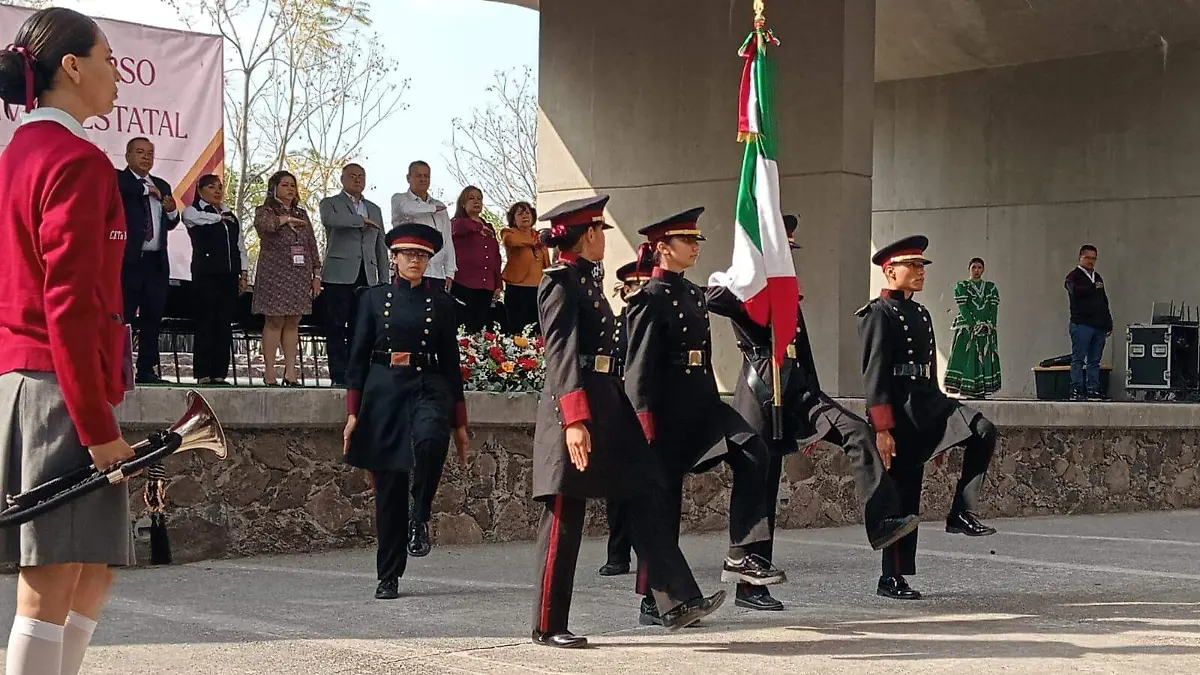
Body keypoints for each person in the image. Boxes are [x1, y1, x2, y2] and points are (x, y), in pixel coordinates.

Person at [0, 8, 136, 674]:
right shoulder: (77, 160)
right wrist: (97, 427)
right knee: (50, 583)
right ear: (73, 67)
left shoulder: (16, 155)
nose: (116, 75)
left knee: (89, 570)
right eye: (108, 60)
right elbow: (72, 305)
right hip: (59, 388)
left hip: (33, 382)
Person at [531, 195, 725, 648]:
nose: (603, 238)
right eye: (598, 231)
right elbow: (560, 353)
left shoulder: (588, 280)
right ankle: (548, 624)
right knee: (564, 514)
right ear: (586, 235)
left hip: (608, 402)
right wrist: (574, 420)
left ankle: (675, 600)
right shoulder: (560, 282)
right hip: (574, 407)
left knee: (645, 490)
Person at [706, 214, 919, 611]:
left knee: (857, 431)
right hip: (761, 391)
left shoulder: (787, 292)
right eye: (781, 248)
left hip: (801, 391)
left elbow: (803, 355)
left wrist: (815, 422)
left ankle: (881, 521)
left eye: (789, 248)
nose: (788, 254)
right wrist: (746, 273)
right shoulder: (750, 291)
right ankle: (750, 585)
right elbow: (712, 297)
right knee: (761, 485)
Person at [624, 207, 785, 626]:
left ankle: (741, 553)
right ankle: (654, 601)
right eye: (687, 240)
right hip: (665, 411)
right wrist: (643, 420)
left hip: (703, 405)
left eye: (697, 240)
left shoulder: (696, 294)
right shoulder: (646, 299)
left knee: (753, 450)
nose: (696, 246)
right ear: (663, 248)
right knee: (664, 505)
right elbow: (638, 367)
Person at [857, 235, 999, 600]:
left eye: (922, 265)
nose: (921, 272)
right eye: (913, 266)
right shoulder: (878, 314)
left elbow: (931, 370)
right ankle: (891, 577)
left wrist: (941, 426)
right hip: (901, 413)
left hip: (930, 402)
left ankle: (961, 512)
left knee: (983, 430)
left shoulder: (922, 313)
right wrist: (882, 428)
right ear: (890, 271)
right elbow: (874, 375)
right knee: (904, 498)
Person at [342, 222, 470, 600]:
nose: (415, 261)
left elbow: (451, 363)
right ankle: (389, 574)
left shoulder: (441, 303)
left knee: (431, 441)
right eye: (408, 254)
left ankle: (420, 515)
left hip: (428, 384)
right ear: (394, 258)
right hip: (383, 390)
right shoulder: (372, 299)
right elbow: (357, 359)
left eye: (422, 256)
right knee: (389, 489)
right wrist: (353, 414)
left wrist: (460, 423)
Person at [597, 257, 653, 578]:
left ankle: (650, 554)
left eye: (644, 286)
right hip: (618, 406)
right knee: (617, 487)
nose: (638, 293)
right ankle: (617, 553)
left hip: (648, 407)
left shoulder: (654, 321)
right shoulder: (614, 324)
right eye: (633, 287)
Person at [319, 163, 390, 387]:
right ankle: (338, 376)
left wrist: (384, 280)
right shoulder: (330, 203)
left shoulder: (374, 208)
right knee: (336, 327)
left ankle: (356, 375)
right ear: (342, 179)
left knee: (361, 329)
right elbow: (330, 220)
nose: (357, 180)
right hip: (338, 275)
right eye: (352, 176)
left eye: (361, 176)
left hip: (366, 276)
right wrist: (361, 221)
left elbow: (380, 246)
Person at [251, 170, 322, 386]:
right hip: (274, 273)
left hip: (298, 274)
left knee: (293, 320)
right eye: (285, 185)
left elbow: (311, 245)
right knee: (274, 320)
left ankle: (291, 372)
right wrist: (285, 219)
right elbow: (266, 227)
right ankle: (269, 371)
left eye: (293, 185)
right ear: (274, 188)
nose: (290, 189)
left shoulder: (302, 214)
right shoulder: (265, 211)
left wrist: (316, 274)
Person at [118, 136, 180, 384]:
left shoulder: (162, 185)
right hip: (128, 262)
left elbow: (171, 222)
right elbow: (124, 187)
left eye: (150, 153)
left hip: (156, 262)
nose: (146, 157)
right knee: (123, 317)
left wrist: (171, 210)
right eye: (140, 152)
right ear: (128, 156)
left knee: (153, 318)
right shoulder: (120, 179)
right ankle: (118, 369)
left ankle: (147, 369)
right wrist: (147, 190)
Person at [182, 174, 249, 385]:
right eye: (212, 187)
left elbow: (240, 246)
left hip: (228, 276)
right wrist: (218, 218)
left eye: (220, 187)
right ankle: (203, 372)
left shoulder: (230, 216)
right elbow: (191, 218)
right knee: (205, 322)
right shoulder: (194, 211)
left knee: (223, 323)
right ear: (200, 190)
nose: (218, 191)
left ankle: (220, 373)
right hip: (206, 275)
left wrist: (243, 272)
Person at [390, 161, 456, 292]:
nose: (423, 179)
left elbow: (447, 239)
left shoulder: (439, 205)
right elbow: (408, 209)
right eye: (419, 175)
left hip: (436, 273)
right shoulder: (399, 198)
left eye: (426, 176)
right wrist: (433, 208)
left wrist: (450, 271)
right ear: (408, 178)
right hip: (408, 271)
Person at [944, 257, 1001, 399]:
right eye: (974, 267)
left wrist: (991, 325)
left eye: (979, 267)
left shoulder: (990, 287)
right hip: (967, 328)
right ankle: (968, 389)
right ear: (969, 269)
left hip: (986, 328)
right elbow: (963, 307)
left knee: (984, 357)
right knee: (968, 357)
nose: (976, 270)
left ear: (983, 269)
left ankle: (981, 390)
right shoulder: (962, 286)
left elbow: (993, 308)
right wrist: (973, 324)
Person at [450, 186, 503, 333]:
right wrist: (477, 228)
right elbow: (455, 228)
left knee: (482, 328)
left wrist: (498, 284)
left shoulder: (489, 227)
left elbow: (496, 257)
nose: (476, 201)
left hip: (486, 285)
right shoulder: (457, 223)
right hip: (463, 283)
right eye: (471, 198)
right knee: (463, 327)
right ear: (462, 203)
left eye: (479, 198)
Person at [1065, 244, 1112, 401]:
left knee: (1094, 360)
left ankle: (1093, 388)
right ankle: (1076, 388)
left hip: (1098, 325)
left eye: (1094, 258)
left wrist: (1108, 321)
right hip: (1082, 323)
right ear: (1080, 257)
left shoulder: (1097, 277)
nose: (1091, 261)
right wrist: (1092, 287)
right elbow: (1076, 292)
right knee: (1078, 358)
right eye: (1088, 258)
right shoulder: (1073, 276)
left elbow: (1103, 300)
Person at [501, 201, 551, 335]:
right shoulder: (509, 232)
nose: (525, 216)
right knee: (518, 332)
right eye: (520, 214)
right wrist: (535, 242)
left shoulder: (538, 235)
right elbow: (510, 241)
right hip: (518, 290)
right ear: (513, 219)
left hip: (539, 289)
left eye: (528, 213)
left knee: (538, 331)